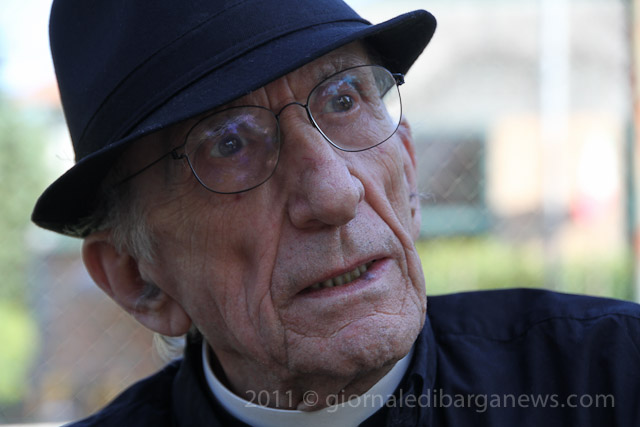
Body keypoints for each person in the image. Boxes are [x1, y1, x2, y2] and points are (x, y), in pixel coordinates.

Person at [31, 0, 640, 426]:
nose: (335, 194)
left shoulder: (612, 378)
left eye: (344, 100)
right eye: (228, 144)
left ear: (407, 169)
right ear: (137, 276)